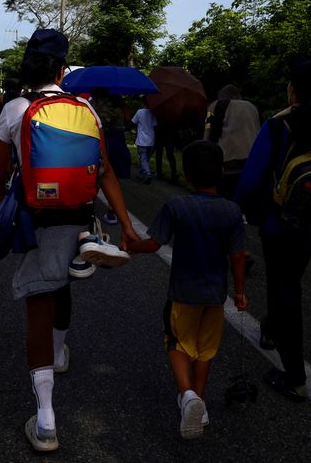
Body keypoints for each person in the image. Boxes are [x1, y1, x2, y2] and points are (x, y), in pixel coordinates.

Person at [0, 29, 139, 452]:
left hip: (38, 219)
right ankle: (60, 349)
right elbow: (105, 171)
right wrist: (127, 225)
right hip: (79, 216)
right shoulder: (86, 109)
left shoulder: (16, 109)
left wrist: (6, 201)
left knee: (39, 305)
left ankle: (46, 421)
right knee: (63, 283)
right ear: (61, 69)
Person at [235, 58, 311, 402]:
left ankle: (294, 375)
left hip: (277, 222)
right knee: (289, 280)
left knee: (285, 287)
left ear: (292, 89)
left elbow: (251, 179)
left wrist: (242, 208)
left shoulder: (279, 126)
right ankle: (271, 329)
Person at [128, 140, 248, 439]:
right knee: (205, 350)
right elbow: (237, 257)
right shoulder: (232, 212)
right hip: (215, 296)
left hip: (183, 294)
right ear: (221, 172)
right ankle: (200, 402)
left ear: (185, 175)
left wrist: (131, 246)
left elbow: (154, 243)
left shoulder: (177, 206)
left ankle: (187, 394)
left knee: (178, 343)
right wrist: (241, 292)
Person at [204, 84, 261, 201]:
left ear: (221, 96)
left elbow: (208, 136)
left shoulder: (215, 106)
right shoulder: (253, 108)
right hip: (251, 165)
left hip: (226, 166)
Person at [90, 87, 131, 225]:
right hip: (118, 139)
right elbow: (127, 118)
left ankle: (89, 207)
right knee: (113, 174)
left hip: (101, 137)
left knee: (96, 171)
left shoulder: (94, 102)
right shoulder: (120, 102)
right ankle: (112, 210)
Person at [130, 104, 158, 183]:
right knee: (146, 159)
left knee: (143, 158)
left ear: (143, 103)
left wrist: (125, 129)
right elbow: (155, 126)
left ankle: (147, 173)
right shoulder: (153, 112)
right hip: (151, 140)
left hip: (142, 140)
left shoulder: (139, 112)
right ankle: (142, 174)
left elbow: (133, 122)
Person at [154, 117, 180, 183]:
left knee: (159, 154)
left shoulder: (160, 113)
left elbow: (156, 125)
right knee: (170, 155)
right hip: (170, 136)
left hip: (161, 135)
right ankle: (174, 173)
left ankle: (159, 173)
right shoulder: (173, 115)